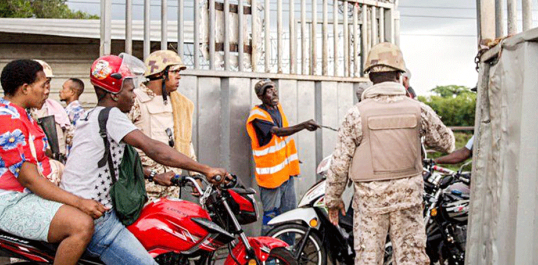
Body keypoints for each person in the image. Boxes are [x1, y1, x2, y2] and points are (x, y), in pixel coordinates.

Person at [60, 54, 228, 265]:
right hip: (98, 217)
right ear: (113, 94)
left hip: (83, 208)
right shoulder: (112, 116)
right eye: (130, 91)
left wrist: (154, 175)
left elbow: (115, 161)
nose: (133, 96)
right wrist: (206, 169)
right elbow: (155, 149)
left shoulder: (92, 116)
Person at [324, 42, 456, 265]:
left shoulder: (355, 114)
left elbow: (339, 166)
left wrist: (333, 200)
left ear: (370, 76)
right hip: (408, 201)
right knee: (410, 260)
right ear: (399, 74)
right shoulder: (418, 109)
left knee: (368, 260)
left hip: (369, 204)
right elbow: (447, 143)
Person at [0, 59, 106, 265]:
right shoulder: (7, 119)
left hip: (24, 195)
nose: (47, 91)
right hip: (6, 200)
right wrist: (78, 202)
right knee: (81, 225)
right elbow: (29, 179)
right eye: (43, 85)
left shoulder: (22, 115)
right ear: (25, 88)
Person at [246, 79, 319, 234]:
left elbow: (280, 142)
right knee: (271, 217)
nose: (274, 92)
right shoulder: (257, 115)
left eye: (274, 88)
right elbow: (277, 132)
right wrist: (304, 125)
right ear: (260, 96)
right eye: (269, 90)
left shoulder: (277, 108)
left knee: (289, 216)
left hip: (286, 174)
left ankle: (288, 251)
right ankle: (268, 256)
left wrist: (289, 158)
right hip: (271, 179)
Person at [128, 50, 196, 200]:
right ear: (159, 74)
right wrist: (151, 174)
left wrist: (195, 174)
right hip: (144, 187)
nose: (179, 76)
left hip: (172, 185)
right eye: (174, 71)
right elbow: (121, 147)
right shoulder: (135, 100)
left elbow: (185, 141)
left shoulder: (179, 103)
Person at [31, 60, 73, 159]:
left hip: (57, 163)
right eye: (42, 82)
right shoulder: (24, 109)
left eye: (48, 82)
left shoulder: (55, 106)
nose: (46, 86)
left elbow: (69, 135)